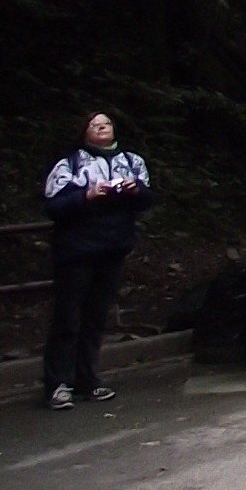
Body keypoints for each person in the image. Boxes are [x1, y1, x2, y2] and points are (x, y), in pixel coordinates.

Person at [42, 112, 153, 411]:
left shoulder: (132, 161)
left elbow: (147, 198)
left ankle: (88, 379)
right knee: (68, 316)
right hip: (76, 250)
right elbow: (53, 204)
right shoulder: (70, 162)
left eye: (106, 123)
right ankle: (57, 383)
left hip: (113, 247)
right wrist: (87, 195)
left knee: (95, 317)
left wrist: (134, 190)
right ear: (84, 131)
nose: (102, 128)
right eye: (94, 124)